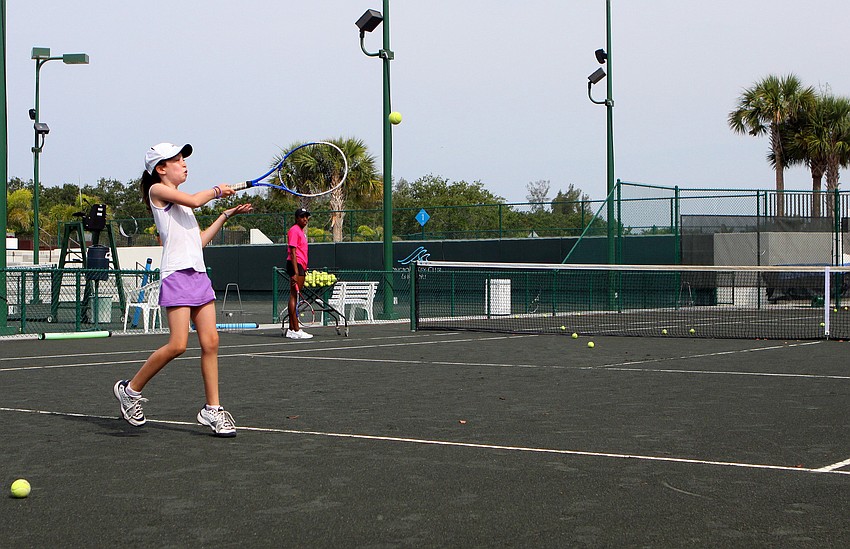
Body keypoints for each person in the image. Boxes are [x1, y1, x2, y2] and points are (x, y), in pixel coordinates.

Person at [113, 142, 252, 437]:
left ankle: (212, 410)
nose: (184, 164)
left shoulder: (185, 208)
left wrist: (225, 215)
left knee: (211, 342)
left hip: (199, 275)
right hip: (176, 276)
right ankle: (130, 390)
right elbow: (195, 200)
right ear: (161, 169)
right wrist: (217, 190)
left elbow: (197, 242)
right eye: (177, 160)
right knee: (178, 345)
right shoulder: (157, 192)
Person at [285, 207, 313, 339]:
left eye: (306, 216)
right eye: (302, 217)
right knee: (294, 296)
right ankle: (295, 329)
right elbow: (293, 252)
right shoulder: (294, 230)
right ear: (297, 218)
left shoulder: (301, 232)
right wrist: (296, 272)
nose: (305, 219)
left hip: (301, 265)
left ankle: (291, 329)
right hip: (296, 265)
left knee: (294, 296)